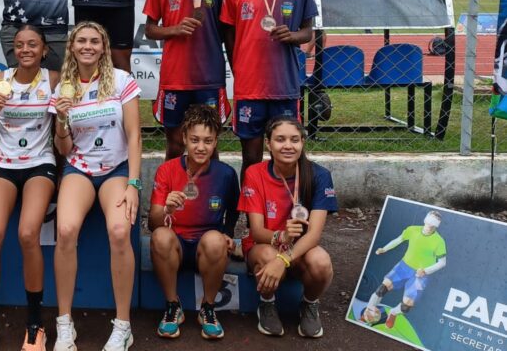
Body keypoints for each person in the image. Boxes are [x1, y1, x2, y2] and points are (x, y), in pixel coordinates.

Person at [49, 21, 142, 351]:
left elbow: (133, 135)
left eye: (94, 41)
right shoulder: (64, 86)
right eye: (81, 41)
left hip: (116, 169)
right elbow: (63, 149)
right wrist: (61, 120)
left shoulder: (121, 80)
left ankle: (123, 326)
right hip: (80, 167)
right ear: (72, 47)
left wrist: (133, 183)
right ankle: (64, 324)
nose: (87, 46)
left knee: (119, 231)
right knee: (66, 229)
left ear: (103, 47)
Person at [0, 25, 60, 351]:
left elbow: (62, 123)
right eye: (20, 44)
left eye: (32, 44)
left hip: (39, 163)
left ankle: (35, 324)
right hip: (4, 164)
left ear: (44, 49)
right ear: (14, 50)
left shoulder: (53, 80)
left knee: (27, 234)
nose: (25, 49)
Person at [220, 0, 318, 181]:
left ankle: (287, 214)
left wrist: (294, 36)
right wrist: (239, 68)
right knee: (251, 158)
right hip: (250, 88)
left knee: (287, 157)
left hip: (284, 87)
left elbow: (308, 31)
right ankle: (251, 218)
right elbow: (228, 34)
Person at [144, 0, 230, 160]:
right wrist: (175, 29)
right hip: (175, 77)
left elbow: (228, 33)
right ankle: (170, 198)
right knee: (174, 145)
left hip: (210, 77)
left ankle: (211, 198)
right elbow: (149, 30)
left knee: (209, 144)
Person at [238, 116, 337, 338]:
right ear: (268, 144)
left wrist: (283, 259)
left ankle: (309, 304)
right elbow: (256, 231)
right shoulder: (254, 173)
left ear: (303, 142)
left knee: (321, 261)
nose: (288, 146)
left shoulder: (320, 176)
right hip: (265, 245)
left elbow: (314, 235)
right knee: (266, 254)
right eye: (280, 139)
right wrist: (280, 236)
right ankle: (267, 303)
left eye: (295, 139)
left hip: (300, 249)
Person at [148, 104, 239, 340]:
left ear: (216, 141)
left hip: (206, 247)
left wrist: (228, 232)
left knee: (216, 241)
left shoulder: (226, 174)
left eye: (208, 141)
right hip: (175, 244)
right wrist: (166, 208)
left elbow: (234, 208)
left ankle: (207, 308)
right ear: (184, 138)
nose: (201, 147)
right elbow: (152, 223)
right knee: (159, 236)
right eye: (195, 140)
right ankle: (173, 306)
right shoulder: (166, 171)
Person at [361, 210, 447, 329]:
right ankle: (368, 313)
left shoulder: (439, 241)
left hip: (420, 275)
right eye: (428, 222)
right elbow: (399, 240)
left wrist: (425, 271)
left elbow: (442, 263)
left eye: (433, 224)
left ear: (437, 226)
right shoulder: (412, 230)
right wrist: (384, 249)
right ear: (425, 220)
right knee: (382, 288)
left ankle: (393, 313)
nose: (429, 226)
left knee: (406, 307)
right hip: (403, 267)